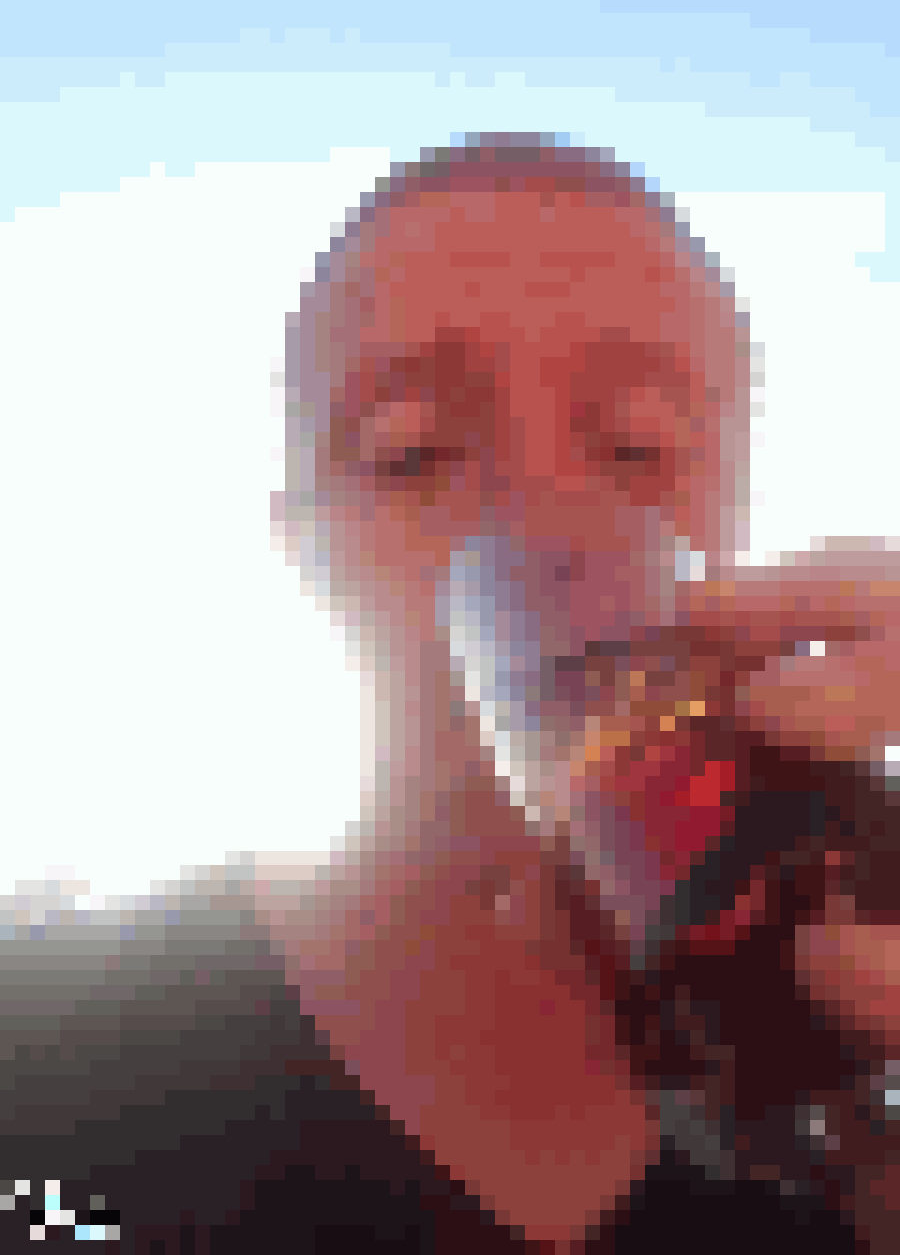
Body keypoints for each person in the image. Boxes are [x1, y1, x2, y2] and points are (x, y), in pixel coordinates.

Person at [0, 136, 895, 1252]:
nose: (547, 521)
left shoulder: (832, 1103)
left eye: (639, 449)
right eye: (411, 453)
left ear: (737, 530)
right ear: (306, 555)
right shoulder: (41, 1055)